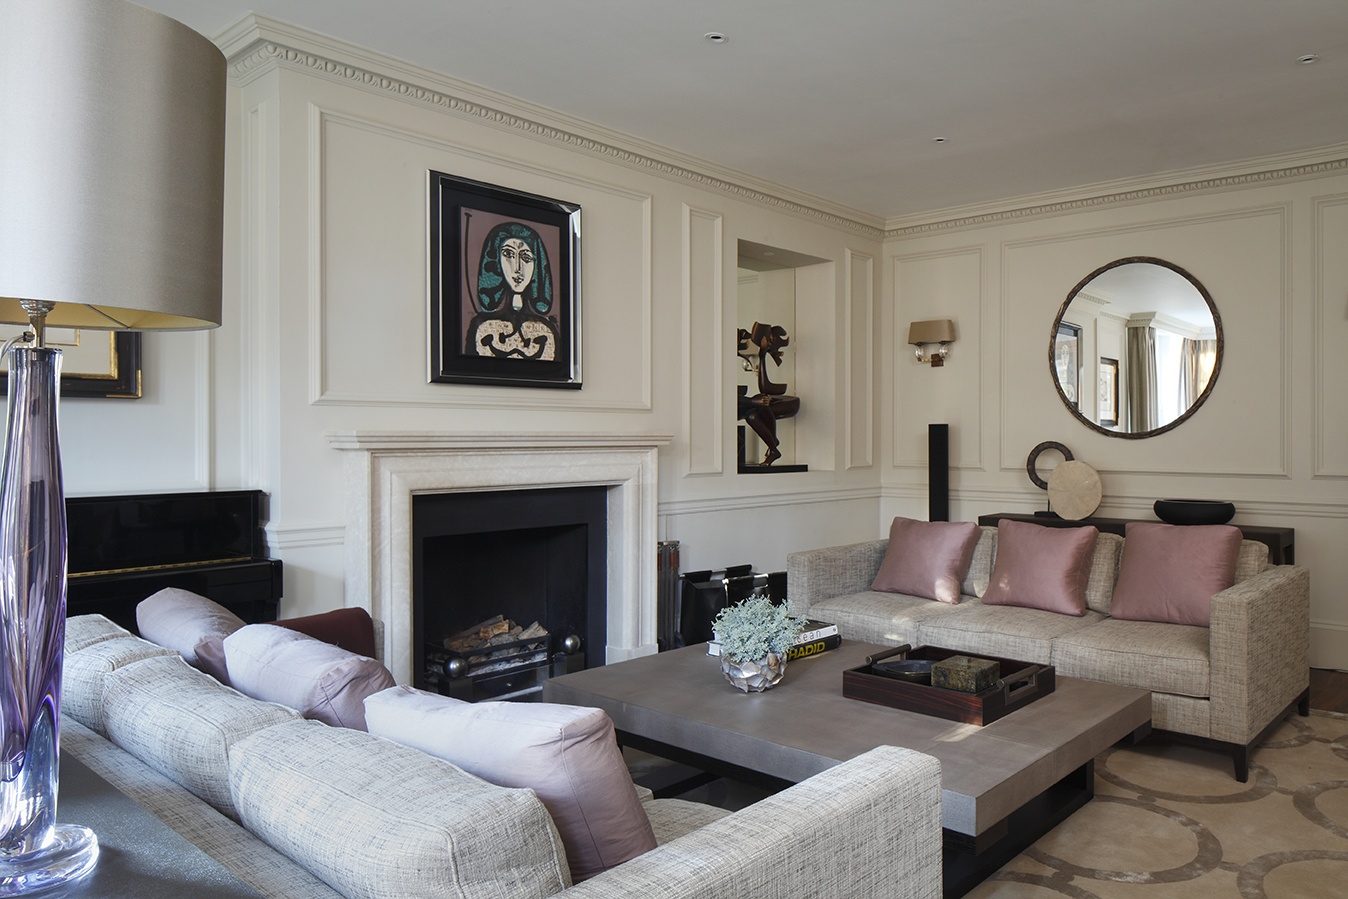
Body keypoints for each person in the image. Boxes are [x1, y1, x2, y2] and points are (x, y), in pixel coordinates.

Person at [464, 221, 559, 360]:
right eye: (509, 255)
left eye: (526, 257)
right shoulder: (482, 325)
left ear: (536, 264)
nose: (517, 268)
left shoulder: (546, 329)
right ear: (496, 260)